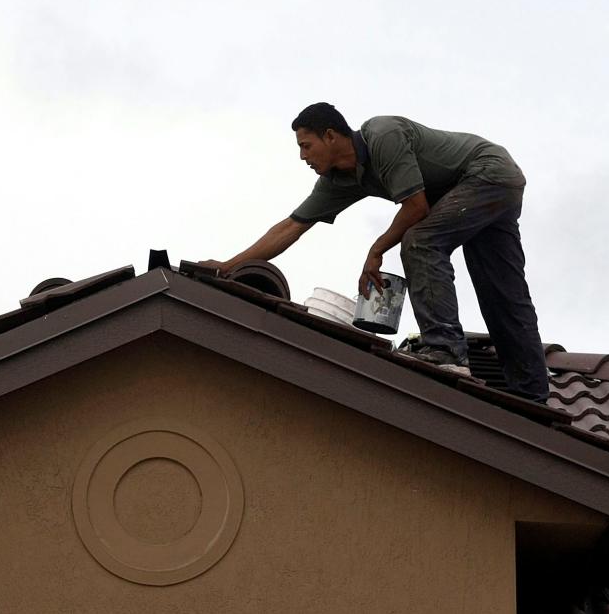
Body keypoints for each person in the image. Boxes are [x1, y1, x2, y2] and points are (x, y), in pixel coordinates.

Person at [204, 102, 549, 403]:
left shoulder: (383, 136)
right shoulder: (339, 181)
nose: (302, 157)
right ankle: (531, 395)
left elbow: (416, 206)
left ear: (330, 136)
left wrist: (376, 250)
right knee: (502, 291)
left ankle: (444, 350)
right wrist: (228, 266)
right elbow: (290, 226)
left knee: (420, 240)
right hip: (485, 188)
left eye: (306, 146)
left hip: (486, 172)